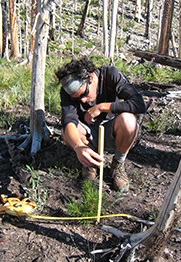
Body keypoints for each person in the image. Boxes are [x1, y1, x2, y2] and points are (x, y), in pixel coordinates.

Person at [55, 57, 146, 191]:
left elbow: (139, 104)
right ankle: (89, 163)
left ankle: (117, 165)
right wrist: (78, 147)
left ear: (91, 78)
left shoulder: (110, 75)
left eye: (84, 94)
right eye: (77, 98)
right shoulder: (67, 91)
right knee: (67, 132)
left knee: (128, 120)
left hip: (112, 130)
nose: (83, 101)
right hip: (87, 133)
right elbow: (69, 121)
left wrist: (103, 107)